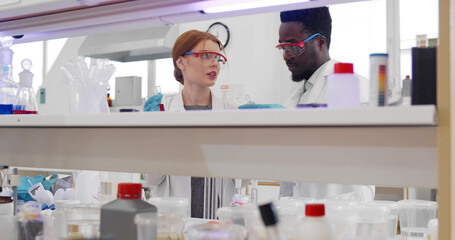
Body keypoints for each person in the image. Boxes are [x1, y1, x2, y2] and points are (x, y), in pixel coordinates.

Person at [143, 30, 248, 218]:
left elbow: (244, 178)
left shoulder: (231, 112)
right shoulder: (163, 111)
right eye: (205, 56)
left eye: (218, 58)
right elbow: (152, 178)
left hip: (218, 221)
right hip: (174, 221)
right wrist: (155, 135)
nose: (214, 63)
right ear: (181, 62)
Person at [277, 7, 374, 200]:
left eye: (294, 47)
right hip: (297, 214)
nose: (286, 56)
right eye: (283, 47)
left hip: (342, 215)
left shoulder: (353, 86)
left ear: (321, 42)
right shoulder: (297, 95)